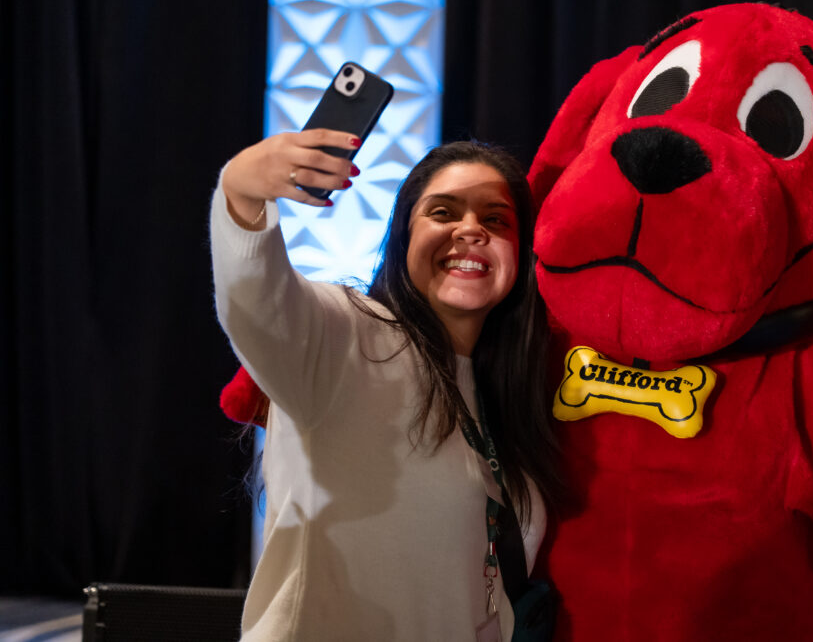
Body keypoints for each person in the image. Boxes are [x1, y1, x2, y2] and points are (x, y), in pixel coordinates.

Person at [210, 130, 560, 641]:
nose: (470, 229)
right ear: (403, 237)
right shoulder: (348, 334)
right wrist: (242, 193)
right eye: (443, 212)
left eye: (495, 220)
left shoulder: (510, 398)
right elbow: (259, 303)